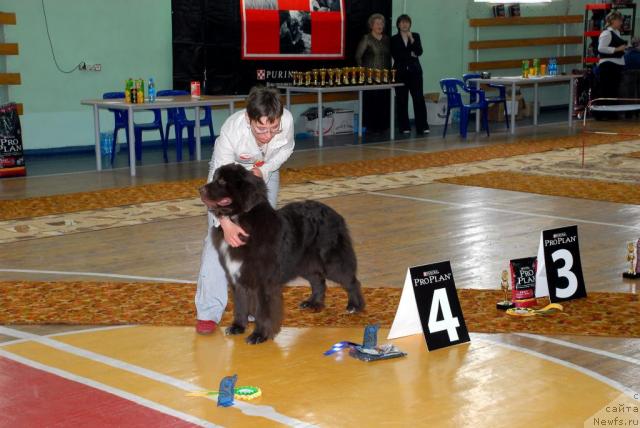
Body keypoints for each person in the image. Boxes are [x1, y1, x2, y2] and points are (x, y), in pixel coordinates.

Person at [195, 86, 295, 335]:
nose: (268, 135)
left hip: (263, 174)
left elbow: (285, 149)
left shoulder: (287, 121)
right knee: (217, 241)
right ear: (248, 120)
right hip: (228, 178)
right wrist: (225, 223)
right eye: (261, 128)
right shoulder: (231, 132)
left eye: (274, 129)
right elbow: (213, 189)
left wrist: (267, 168)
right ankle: (208, 311)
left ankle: (254, 305)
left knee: (261, 239)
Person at [391, 14, 429, 135]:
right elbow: (396, 56)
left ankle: (422, 126)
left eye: (406, 22)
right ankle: (404, 127)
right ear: (398, 25)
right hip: (400, 73)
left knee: (418, 99)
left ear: (410, 24)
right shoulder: (394, 39)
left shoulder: (416, 36)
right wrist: (411, 54)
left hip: (415, 73)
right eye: (402, 22)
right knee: (402, 100)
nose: (404, 24)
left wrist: (412, 40)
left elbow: (419, 52)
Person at [355, 13, 391, 133]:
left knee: (384, 101)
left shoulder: (387, 39)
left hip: (385, 77)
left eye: (382, 23)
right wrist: (364, 72)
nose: (380, 25)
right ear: (371, 25)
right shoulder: (367, 38)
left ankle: (383, 126)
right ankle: (371, 127)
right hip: (370, 78)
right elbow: (358, 56)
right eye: (377, 23)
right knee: (372, 102)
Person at [596, 11, 627, 119]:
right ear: (613, 20)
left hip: (616, 64)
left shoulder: (617, 32)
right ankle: (604, 114)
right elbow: (601, 48)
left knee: (613, 90)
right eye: (619, 20)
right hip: (608, 65)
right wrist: (617, 49)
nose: (621, 23)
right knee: (607, 90)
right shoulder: (606, 33)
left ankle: (612, 113)